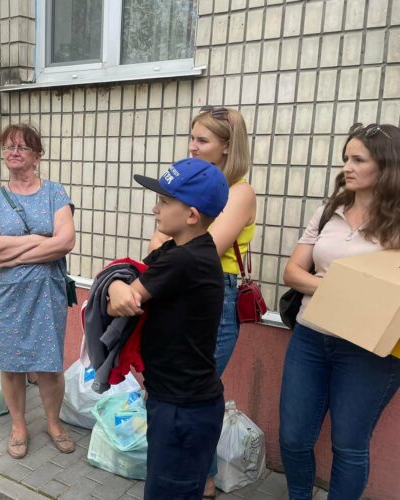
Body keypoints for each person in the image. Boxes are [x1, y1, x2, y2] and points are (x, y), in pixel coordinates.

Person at [279, 123, 400, 500]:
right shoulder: (328, 211)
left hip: (368, 349)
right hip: (310, 337)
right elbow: (292, 271)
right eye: (346, 158)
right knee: (294, 436)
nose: (346, 167)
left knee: (349, 445)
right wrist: (341, 290)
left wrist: (340, 290)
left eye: (358, 159)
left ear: (387, 166)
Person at [148, 105, 255, 498]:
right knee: (167, 386)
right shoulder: (191, 191)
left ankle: (198, 481)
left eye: (203, 140)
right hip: (176, 288)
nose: (192, 147)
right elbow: (158, 246)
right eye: (191, 137)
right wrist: (165, 243)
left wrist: (165, 244)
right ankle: (186, 474)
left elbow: (205, 248)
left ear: (227, 147)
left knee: (191, 393)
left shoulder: (239, 193)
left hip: (214, 296)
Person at [108, 157, 229, 499]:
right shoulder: (185, 250)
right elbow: (138, 276)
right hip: (182, 401)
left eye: (163, 201)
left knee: (167, 493)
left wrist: (114, 285)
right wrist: (120, 283)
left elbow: (121, 300)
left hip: (182, 409)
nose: (154, 209)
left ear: (191, 215)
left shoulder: (185, 259)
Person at [0, 123, 76, 459]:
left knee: (49, 365)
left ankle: (53, 422)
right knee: (11, 364)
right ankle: (19, 426)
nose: (14, 152)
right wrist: (39, 242)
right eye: (8, 147)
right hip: (6, 293)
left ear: (37, 155)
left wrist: (15, 252)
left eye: (22, 147)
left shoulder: (55, 193)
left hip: (47, 293)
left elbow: (65, 242)